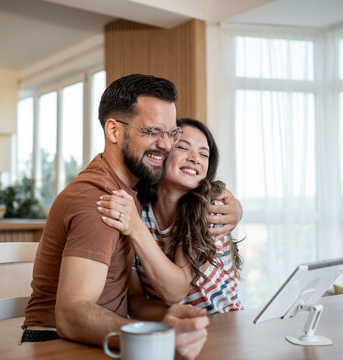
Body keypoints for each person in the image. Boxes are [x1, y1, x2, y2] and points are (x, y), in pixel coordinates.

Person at [22, 74, 241, 360]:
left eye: (171, 133)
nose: (165, 145)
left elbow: (132, 294)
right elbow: (71, 315)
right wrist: (154, 336)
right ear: (113, 131)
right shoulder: (102, 199)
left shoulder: (130, 195)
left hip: (102, 334)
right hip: (57, 341)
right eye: (153, 132)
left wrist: (235, 206)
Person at [97, 118, 243, 314]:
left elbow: (174, 291)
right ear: (160, 154)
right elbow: (134, 299)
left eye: (204, 154)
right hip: (173, 330)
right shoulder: (139, 211)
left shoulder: (209, 209)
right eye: (183, 147)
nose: (195, 158)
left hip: (223, 326)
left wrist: (135, 229)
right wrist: (167, 317)